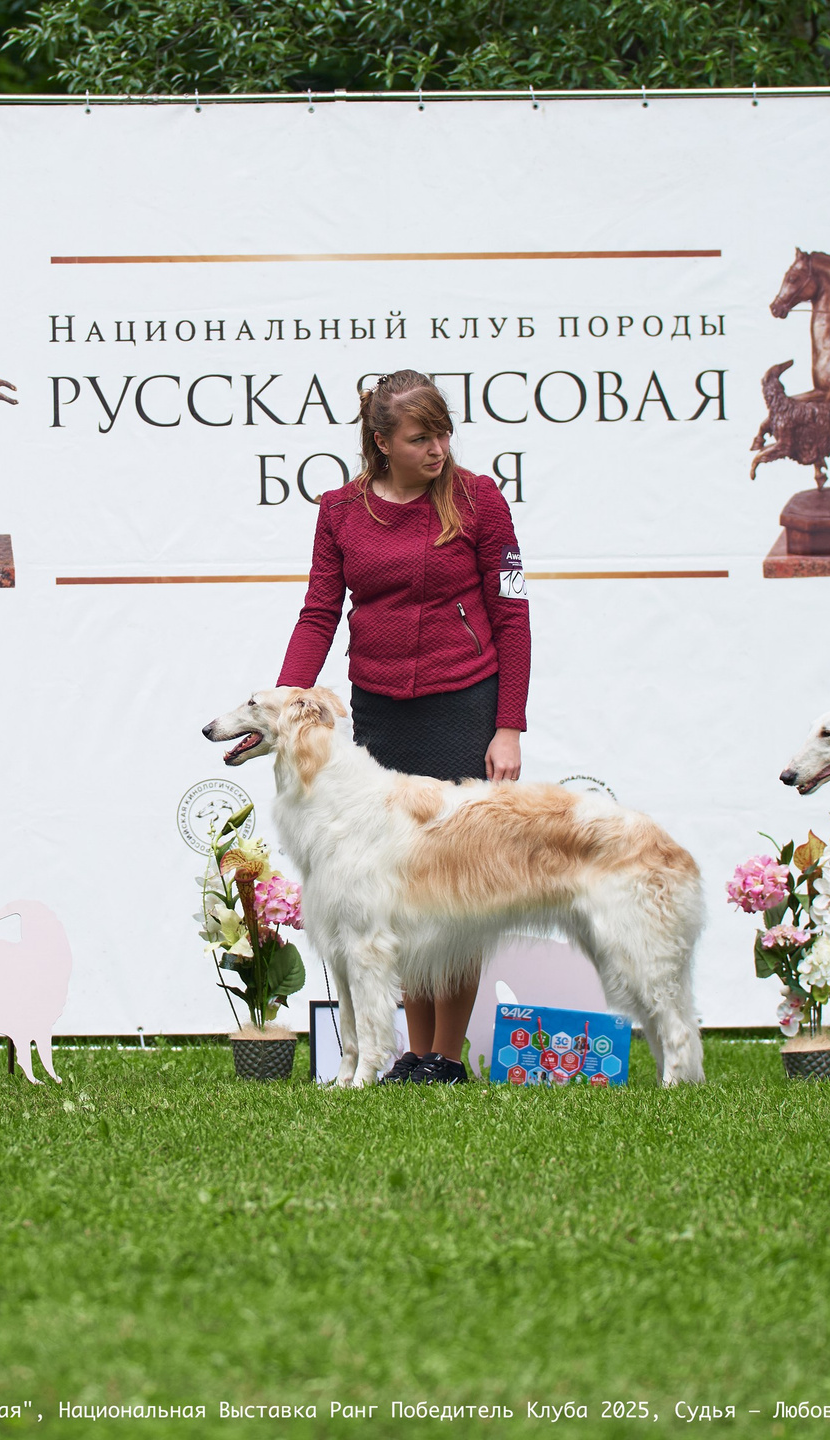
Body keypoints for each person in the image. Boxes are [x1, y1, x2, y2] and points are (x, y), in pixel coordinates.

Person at [277, 370, 530, 1084]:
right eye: (421, 438)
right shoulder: (339, 512)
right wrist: (291, 699)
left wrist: (507, 726)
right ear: (381, 442)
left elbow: (512, 614)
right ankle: (411, 1054)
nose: (438, 450)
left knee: (459, 886)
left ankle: (447, 1056)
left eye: (444, 433)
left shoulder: (481, 499)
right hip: (381, 713)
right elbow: (319, 613)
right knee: (396, 887)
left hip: (464, 707)